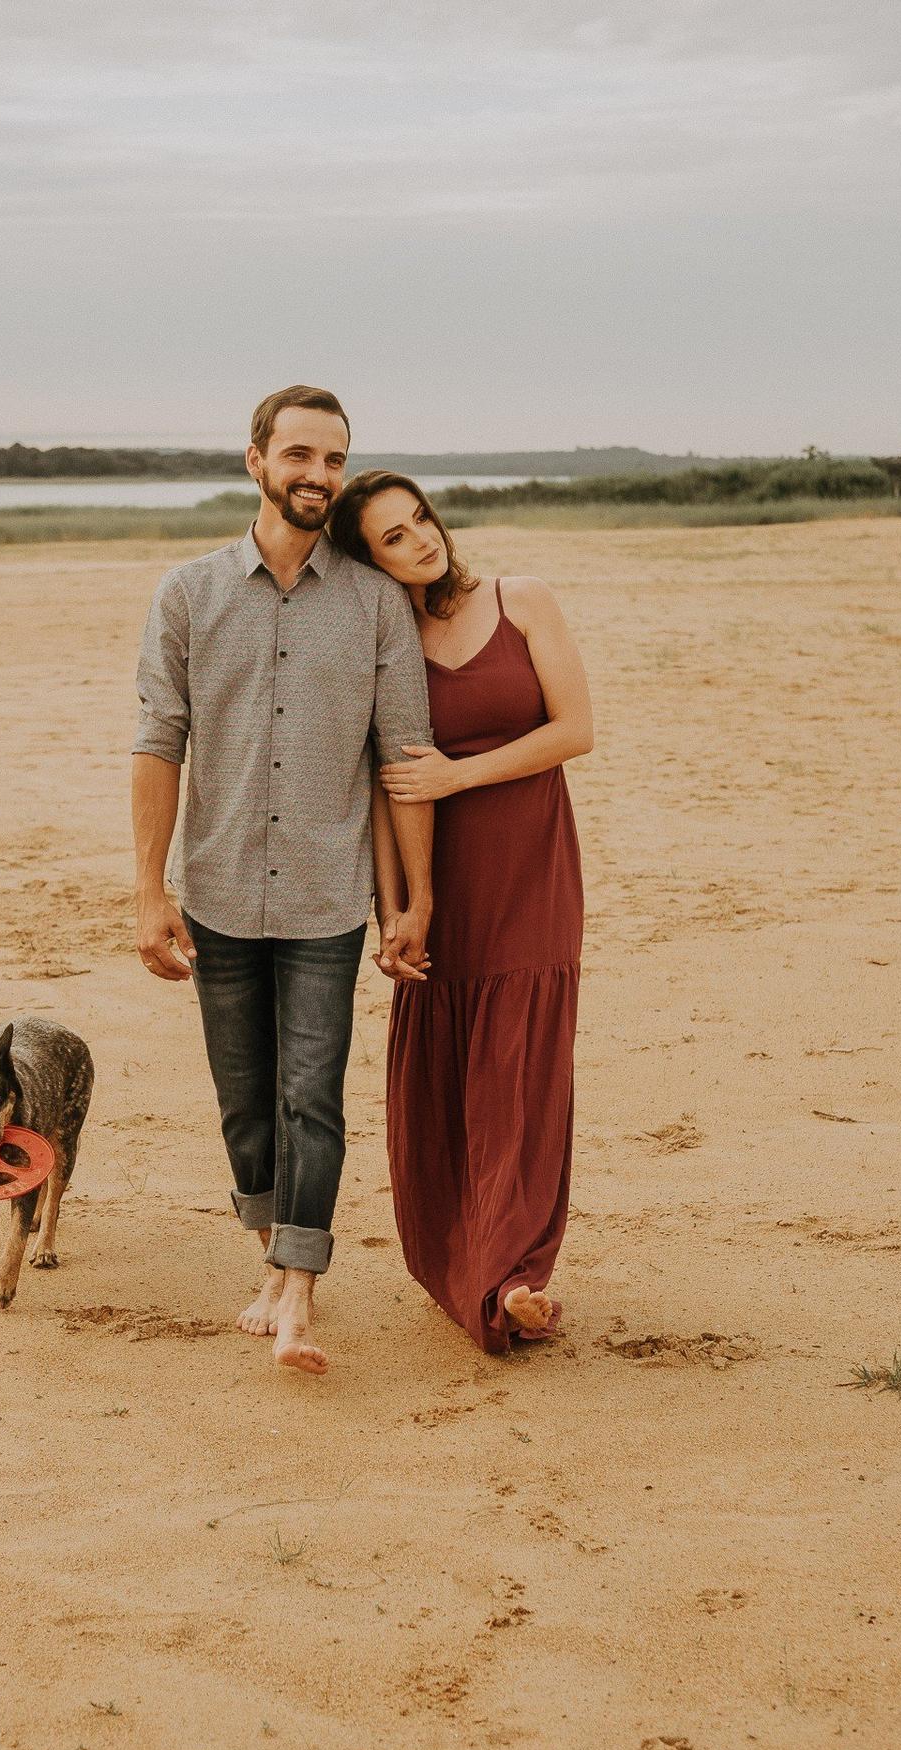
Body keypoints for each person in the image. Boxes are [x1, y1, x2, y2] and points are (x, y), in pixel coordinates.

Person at [131, 390, 434, 1376]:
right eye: (298, 452)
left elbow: (403, 756)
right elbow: (157, 742)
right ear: (255, 460)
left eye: (333, 458)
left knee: (312, 1097)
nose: (317, 473)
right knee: (244, 1106)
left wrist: (410, 898)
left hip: (323, 899)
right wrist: (148, 887)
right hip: (214, 888)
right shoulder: (187, 593)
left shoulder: (377, 602)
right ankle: (271, 1253)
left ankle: (299, 1293)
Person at [329, 471, 592, 1354]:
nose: (421, 541)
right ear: (368, 559)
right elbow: (381, 783)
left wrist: (460, 773)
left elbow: (574, 730)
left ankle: (516, 1274)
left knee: (518, 1072)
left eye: (421, 520)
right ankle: (463, 1265)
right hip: (437, 874)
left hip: (529, 865)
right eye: (393, 538)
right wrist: (393, 909)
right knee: (444, 1080)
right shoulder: (382, 632)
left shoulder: (523, 599)